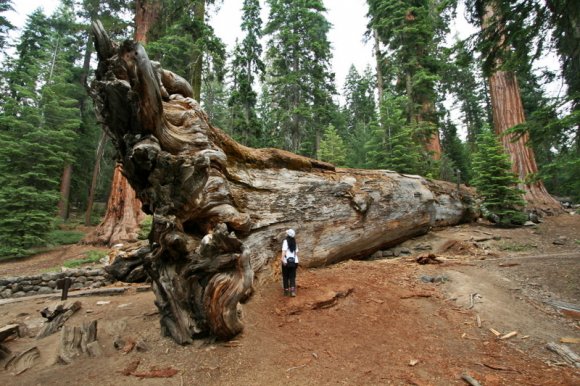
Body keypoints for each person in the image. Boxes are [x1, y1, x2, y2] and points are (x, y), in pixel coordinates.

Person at [281, 229, 299, 297]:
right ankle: (292, 292)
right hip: (294, 261)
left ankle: (286, 291)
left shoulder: (285, 241)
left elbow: (284, 251)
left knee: (285, 276)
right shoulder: (295, 242)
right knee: (292, 276)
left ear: (288, 235)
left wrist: (282, 259)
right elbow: (296, 253)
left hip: (286, 261)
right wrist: (294, 260)